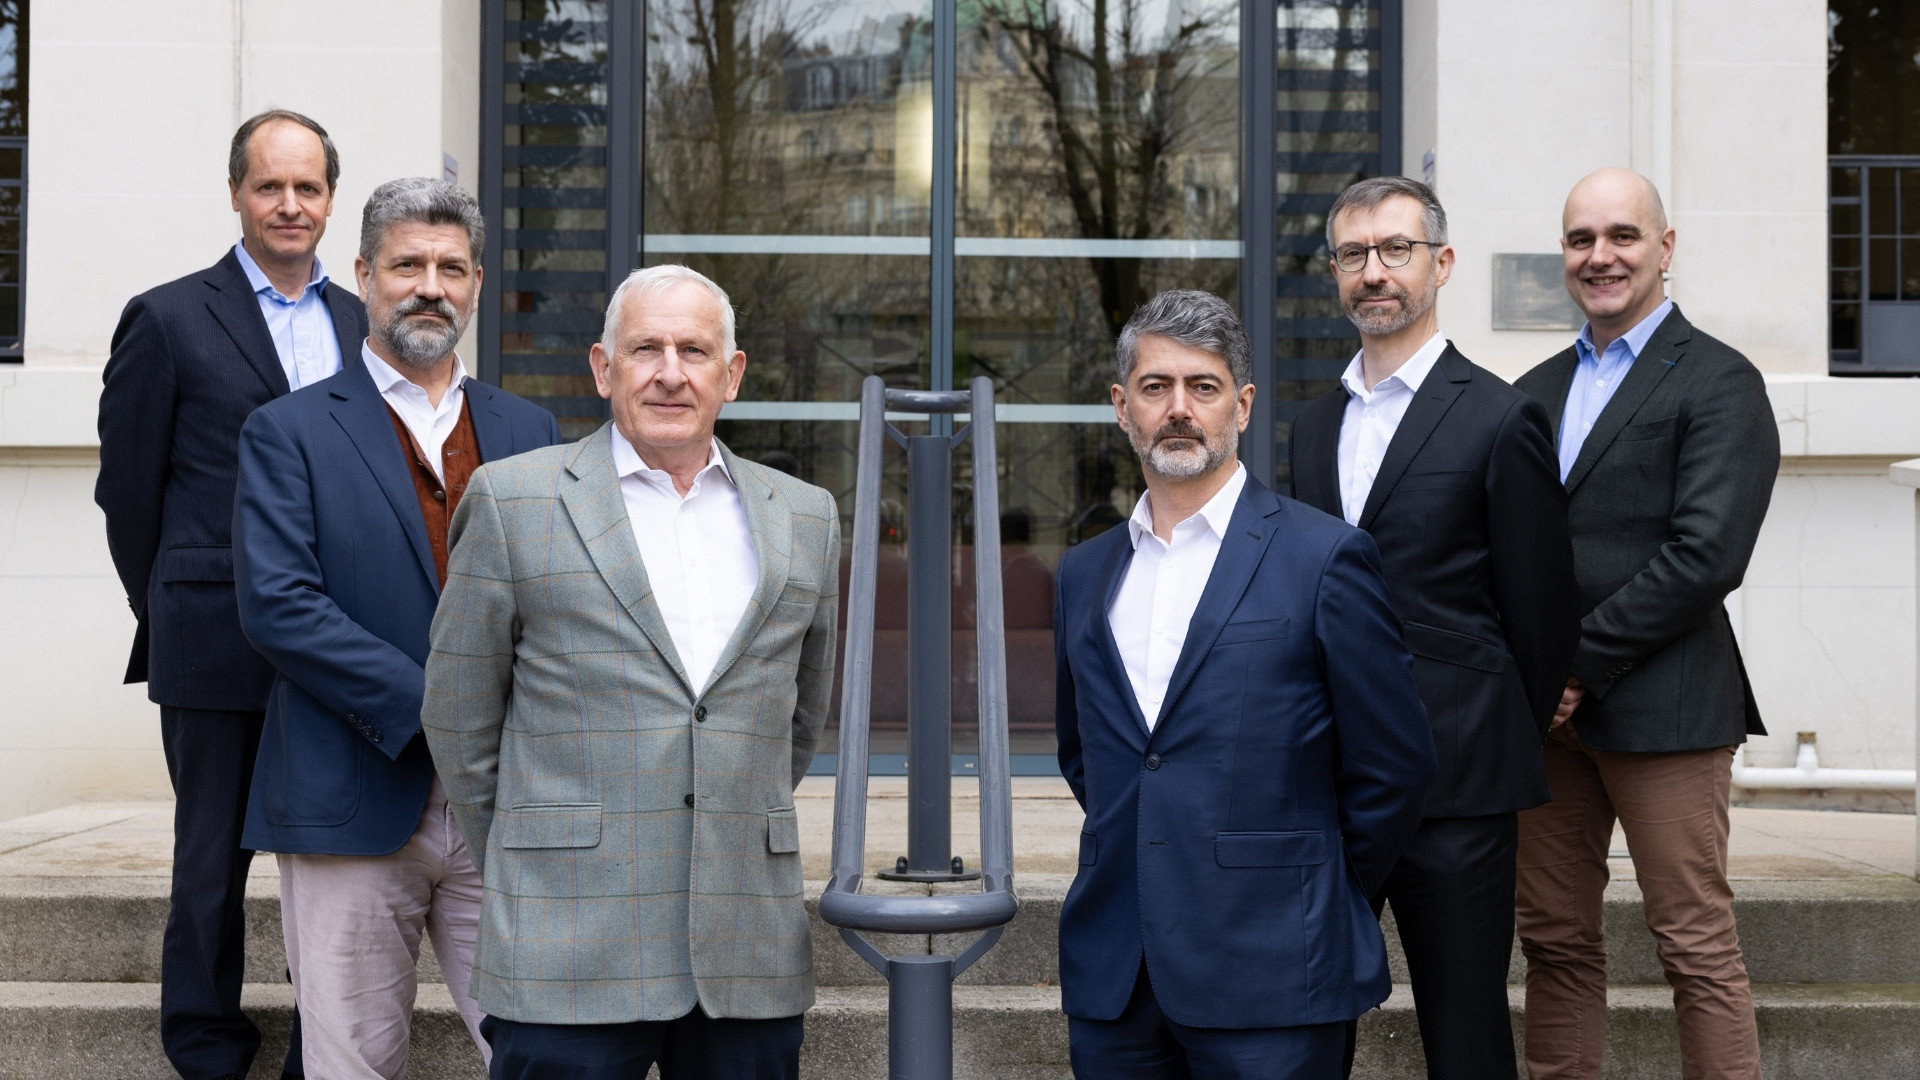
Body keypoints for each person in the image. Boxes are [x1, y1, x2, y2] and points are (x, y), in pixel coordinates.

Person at [422, 264, 841, 1080]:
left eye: (695, 350)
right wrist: (539, 850)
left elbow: (799, 714)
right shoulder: (514, 502)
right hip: (567, 940)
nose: (670, 373)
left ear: (732, 374)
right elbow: (458, 714)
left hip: (744, 946)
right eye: (646, 348)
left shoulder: (805, 515)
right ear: (603, 368)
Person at [1053, 289, 1436, 1079]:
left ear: (1243, 405)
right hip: (1117, 971)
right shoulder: (1084, 573)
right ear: (1122, 407)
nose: (1179, 409)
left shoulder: (1324, 558)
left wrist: (1308, 887)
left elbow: (1392, 767)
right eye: (1156, 387)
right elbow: (1086, 754)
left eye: (1204, 386)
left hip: (1276, 968)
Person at [232, 177, 561, 1078]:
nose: (430, 287)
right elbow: (279, 605)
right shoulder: (287, 431)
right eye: (407, 265)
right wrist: (441, 708)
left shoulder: (532, 430)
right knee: (353, 1063)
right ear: (364, 276)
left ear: (478, 284)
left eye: (451, 268)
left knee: (548, 1051)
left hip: (510, 806)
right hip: (349, 795)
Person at [1288, 176, 1580, 1080]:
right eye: (1353, 254)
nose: (1374, 271)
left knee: (1465, 1034)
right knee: (1308, 1020)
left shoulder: (1501, 416)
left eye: (1396, 249)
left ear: (1441, 263)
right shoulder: (1312, 426)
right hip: (1326, 784)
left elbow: (1540, 617)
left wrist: (1488, 735)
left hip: (1458, 785)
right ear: (1335, 273)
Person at [95, 108, 365, 1080]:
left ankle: (322, 1046)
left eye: (308, 187)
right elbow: (128, 492)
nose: (290, 204)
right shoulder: (167, 317)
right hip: (214, 633)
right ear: (236, 193)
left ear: (330, 199)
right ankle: (206, 1043)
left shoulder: (361, 322)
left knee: (331, 862)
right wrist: (171, 604)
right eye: (270, 186)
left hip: (338, 637)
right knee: (211, 856)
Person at [1511, 167, 1780, 1080]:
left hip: (1667, 709)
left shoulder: (1720, 379)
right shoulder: (1535, 390)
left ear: (1665, 248)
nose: (1601, 256)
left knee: (1693, 945)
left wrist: (1571, 665)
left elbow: (1707, 555)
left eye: (1622, 235)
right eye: (1581, 239)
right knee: (1554, 942)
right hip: (1549, 728)